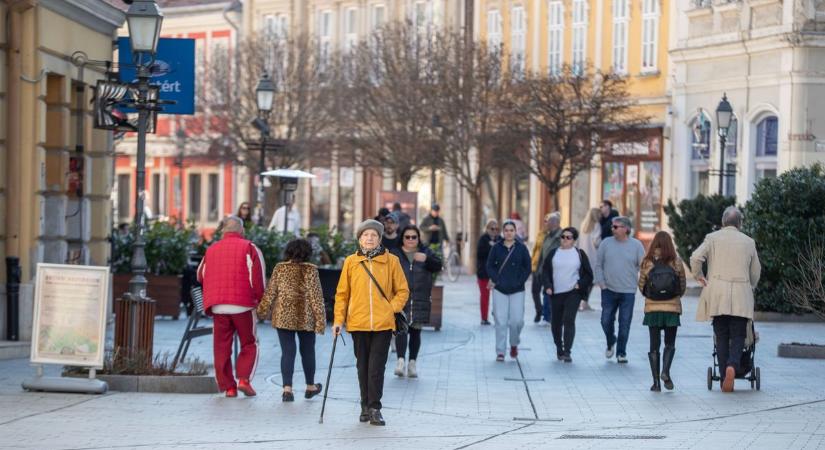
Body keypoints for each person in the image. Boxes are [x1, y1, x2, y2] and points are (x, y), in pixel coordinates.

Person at [333, 219, 409, 426]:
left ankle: (375, 408)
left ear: (379, 239)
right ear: (359, 239)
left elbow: (402, 290)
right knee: (362, 367)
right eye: (366, 235)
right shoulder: (351, 262)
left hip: (383, 324)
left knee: (376, 367)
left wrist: (391, 308)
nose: (369, 239)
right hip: (358, 322)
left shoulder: (391, 261)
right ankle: (364, 406)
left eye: (373, 236)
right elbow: (342, 294)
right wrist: (338, 320)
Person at [691, 206, 760, 393]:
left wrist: (699, 276)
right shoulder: (748, 242)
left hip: (717, 293)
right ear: (740, 223)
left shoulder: (712, 239)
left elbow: (696, 257)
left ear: (723, 222)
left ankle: (723, 377)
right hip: (741, 293)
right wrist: (750, 285)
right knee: (738, 335)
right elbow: (755, 272)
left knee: (721, 336)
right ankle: (732, 365)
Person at [196, 215, 266, 397]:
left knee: (221, 346)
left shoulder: (211, 250)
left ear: (223, 231)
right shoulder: (249, 248)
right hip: (243, 305)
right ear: (241, 230)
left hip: (218, 306)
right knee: (250, 343)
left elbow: (200, 275)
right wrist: (260, 300)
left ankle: (229, 387)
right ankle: (243, 379)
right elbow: (257, 279)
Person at [257, 239, 326, 402]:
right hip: (305, 316)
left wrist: (261, 311)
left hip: (283, 316)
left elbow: (271, 292)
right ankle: (310, 387)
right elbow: (316, 297)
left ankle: (287, 390)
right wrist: (320, 321)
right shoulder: (311, 270)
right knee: (308, 351)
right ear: (308, 253)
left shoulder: (280, 268)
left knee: (288, 352)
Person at [391, 225, 442, 378]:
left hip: (420, 298)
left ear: (418, 238)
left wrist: (427, 259)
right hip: (401, 298)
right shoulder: (395, 254)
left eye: (414, 237)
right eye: (408, 237)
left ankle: (412, 363)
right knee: (401, 330)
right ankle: (400, 361)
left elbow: (438, 266)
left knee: (415, 331)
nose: (411, 240)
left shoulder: (425, 252)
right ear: (403, 238)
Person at [638, 231, 686, 391]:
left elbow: (641, 285)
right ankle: (665, 371)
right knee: (670, 343)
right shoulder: (676, 262)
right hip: (672, 309)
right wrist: (675, 296)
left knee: (654, 345)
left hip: (653, 309)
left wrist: (650, 296)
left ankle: (656, 383)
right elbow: (682, 285)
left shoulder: (647, 262)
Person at [595, 216, 645, 364]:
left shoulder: (636, 245)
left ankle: (621, 352)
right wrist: (602, 283)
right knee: (605, 320)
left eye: (616, 227)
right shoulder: (606, 243)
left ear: (626, 229)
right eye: (612, 226)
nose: (612, 229)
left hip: (628, 291)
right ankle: (611, 340)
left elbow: (643, 267)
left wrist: (642, 285)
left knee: (625, 323)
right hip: (608, 290)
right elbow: (598, 265)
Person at [542, 227, 593, 363]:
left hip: (573, 292)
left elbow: (589, 275)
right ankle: (559, 347)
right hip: (556, 293)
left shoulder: (579, 254)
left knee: (569, 320)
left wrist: (579, 284)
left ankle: (567, 351)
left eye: (568, 237)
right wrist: (548, 286)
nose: (564, 239)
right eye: (563, 237)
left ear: (574, 240)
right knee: (556, 323)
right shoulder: (553, 253)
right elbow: (545, 271)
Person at [486, 220, 532, 361]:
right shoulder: (496, 248)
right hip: (500, 289)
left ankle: (514, 344)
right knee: (500, 321)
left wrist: (520, 280)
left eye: (511, 230)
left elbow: (527, 267)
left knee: (516, 321)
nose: (509, 233)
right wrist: (496, 279)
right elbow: (489, 265)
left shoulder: (521, 248)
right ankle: (500, 351)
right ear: (503, 232)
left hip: (517, 289)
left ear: (515, 232)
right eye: (506, 230)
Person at [531, 212, 562, 325]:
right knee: (544, 292)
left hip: (555, 270)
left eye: (548, 222)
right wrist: (537, 268)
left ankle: (548, 316)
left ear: (555, 223)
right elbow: (540, 253)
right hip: (543, 269)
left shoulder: (561, 236)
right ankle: (545, 315)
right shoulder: (546, 236)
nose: (546, 224)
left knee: (549, 292)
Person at [577, 208, 602, 311]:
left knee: (583, 280)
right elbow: (596, 242)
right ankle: (584, 302)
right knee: (590, 281)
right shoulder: (596, 225)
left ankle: (579, 302)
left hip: (582, 256)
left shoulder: (583, 225)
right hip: (592, 257)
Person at [476, 220, 500, 325]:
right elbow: (480, 254)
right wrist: (491, 246)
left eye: (496, 229)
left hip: (497, 274)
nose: (494, 231)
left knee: (499, 297)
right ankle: (484, 318)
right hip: (484, 273)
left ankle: (498, 315)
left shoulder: (500, 239)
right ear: (487, 229)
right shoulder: (483, 239)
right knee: (485, 296)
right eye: (492, 229)